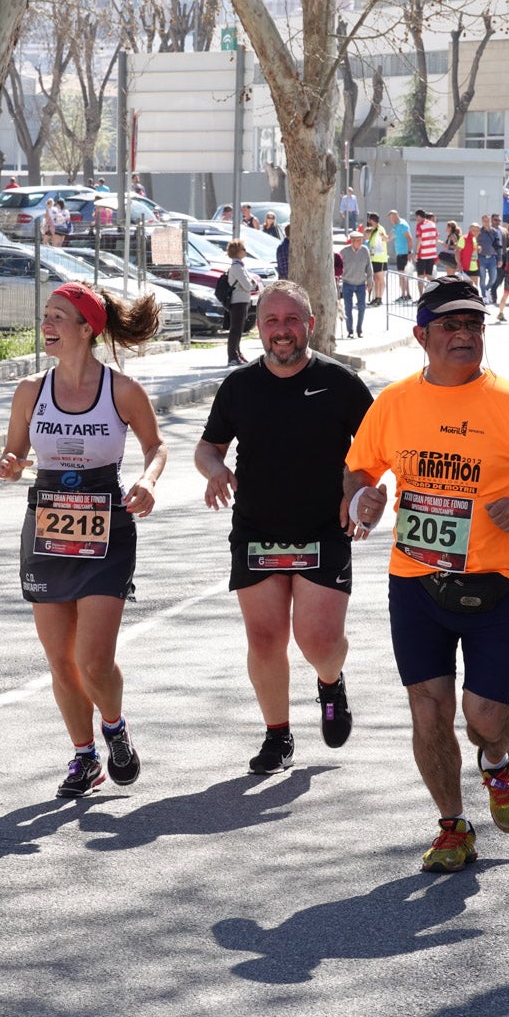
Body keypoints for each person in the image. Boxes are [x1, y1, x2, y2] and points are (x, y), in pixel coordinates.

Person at [343, 276, 509, 873]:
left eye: (475, 325)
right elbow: (358, 470)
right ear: (421, 335)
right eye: (451, 326)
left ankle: (498, 764)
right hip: (414, 583)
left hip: (498, 583)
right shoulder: (394, 404)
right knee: (428, 710)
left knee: (483, 719)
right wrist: (361, 502)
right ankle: (452, 827)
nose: (465, 335)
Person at [0, 282, 167, 798]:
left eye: (59, 317)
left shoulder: (121, 390)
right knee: (61, 661)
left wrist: (148, 481)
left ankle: (113, 728)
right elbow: (14, 453)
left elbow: (156, 447)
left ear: (87, 327)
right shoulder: (30, 390)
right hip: (48, 525)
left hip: (106, 524)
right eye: (46, 315)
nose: (47, 324)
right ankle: (83, 756)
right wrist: (9, 464)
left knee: (93, 659)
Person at [194, 280, 373, 774]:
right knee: (265, 639)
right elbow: (208, 447)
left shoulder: (340, 382)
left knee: (318, 642)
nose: (282, 331)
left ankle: (330, 682)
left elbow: (378, 448)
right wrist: (216, 472)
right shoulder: (240, 386)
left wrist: (358, 491)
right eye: (271, 321)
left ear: (310, 324)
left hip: (323, 527)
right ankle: (277, 736)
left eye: (291, 320)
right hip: (257, 530)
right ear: (258, 328)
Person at [226, 238, 257, 366]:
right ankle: (232, 356)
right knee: (235, 329)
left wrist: (251, 283)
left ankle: (238, 353)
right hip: (237, 301)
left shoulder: (240, 266)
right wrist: (252, 284)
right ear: (237, 251)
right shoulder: (236, 267)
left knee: (239, 329)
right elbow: (248, 285)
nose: (245, 251)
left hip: (242, 300)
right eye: (243, 249)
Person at [340, 230, 374, 338]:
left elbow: (369, 267)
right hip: (347, 283)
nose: (360, 242)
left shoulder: (365, 250)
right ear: (352, 241)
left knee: (362, 307)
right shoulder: (344, 251)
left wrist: (370, 281)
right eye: (358, 240)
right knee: (348, 308)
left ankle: (359, 329)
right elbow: (338, 266)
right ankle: (350, 331)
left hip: (360, 283)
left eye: (361, 240)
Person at [387, 210, 414, 301]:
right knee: (402, 275)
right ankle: (406, 295)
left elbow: (410, 239)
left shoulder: (402, 225)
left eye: (391, 218)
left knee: (403, 275)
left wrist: (409, 253)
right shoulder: (396, 226)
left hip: (404, 254)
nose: (390, 220)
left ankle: (404, 295)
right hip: (400, 254)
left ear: (395, 217)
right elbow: (388, 238)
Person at [475, 214, 501, 305]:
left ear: (490, 221)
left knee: (493, 278)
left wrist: (500, 259)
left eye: (488, 221)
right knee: (482, 279)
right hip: (482, 257)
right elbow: (474, 242)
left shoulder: (494, 232)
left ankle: (486, 289)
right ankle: (484, 296)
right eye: (484, 221)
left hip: (492, 258)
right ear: (482, 222)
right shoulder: (479, 232)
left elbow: (498, 246)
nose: (486, 223)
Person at [365, 212, 388, 306]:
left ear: (372, 220)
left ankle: (379, 298)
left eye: (369, 220)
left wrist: (384, 237)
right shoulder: (373, 230)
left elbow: (385, 238)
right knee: (375, 278)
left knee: (380, 278)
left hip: (380, 258)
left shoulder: (380, 229)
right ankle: (376, 297)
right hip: (374, 258)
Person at [414, 209, 439, 292]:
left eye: (416, 217)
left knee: (420, 277)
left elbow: (419, 240)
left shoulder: (420, 225)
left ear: (418, 216)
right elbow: (436, 239)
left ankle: (421, 296)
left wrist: (416, 253)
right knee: (429, 275)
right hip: (431, 254)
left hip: (422, 254)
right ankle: (434, 289)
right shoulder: (432, 224)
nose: (416, 219)